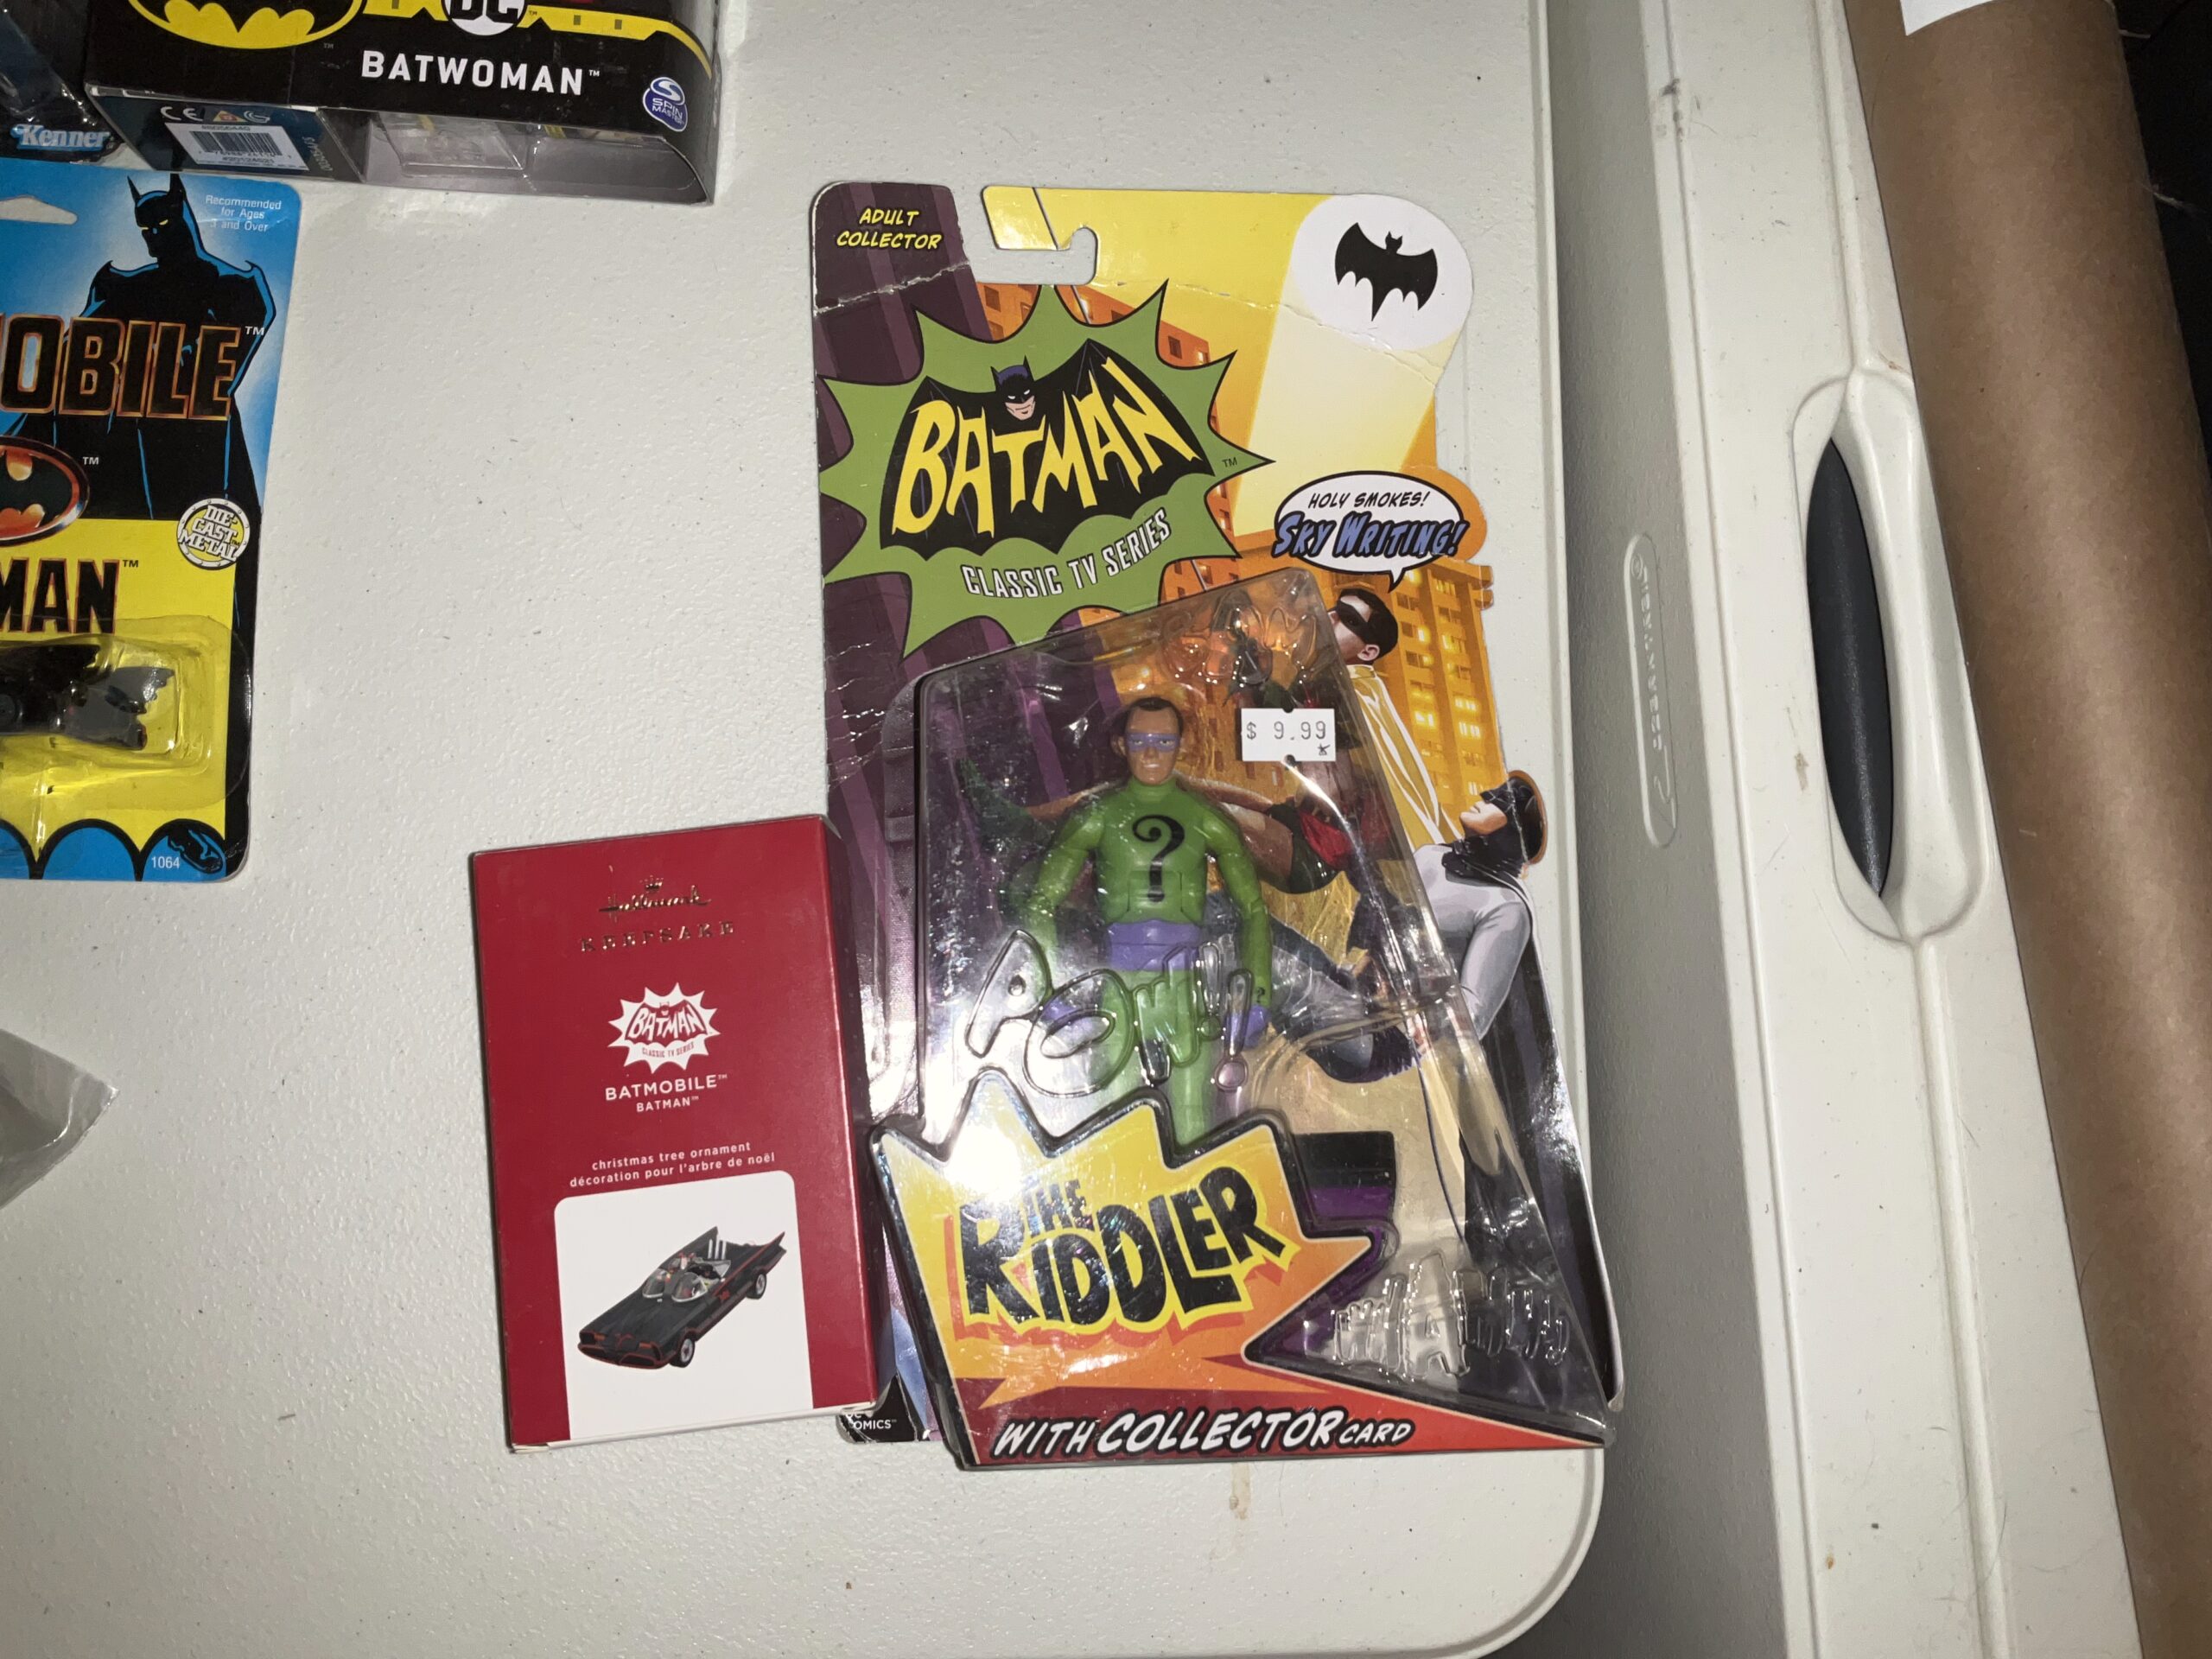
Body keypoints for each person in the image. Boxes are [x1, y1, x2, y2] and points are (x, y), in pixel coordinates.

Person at [1019, 697, 1273, 1145]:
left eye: (1163, 742)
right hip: (1120, 986)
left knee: (1194, 1121)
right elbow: (1040, 904)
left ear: (1181, 746)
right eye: (1140, 741)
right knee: (1117, 1124)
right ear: (1122, 745)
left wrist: (1257, 996)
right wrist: (1050, 994)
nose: (1152, 753)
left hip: (1186, 988)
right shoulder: (1099, 814)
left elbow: (1254, 910)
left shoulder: (1205, 818)